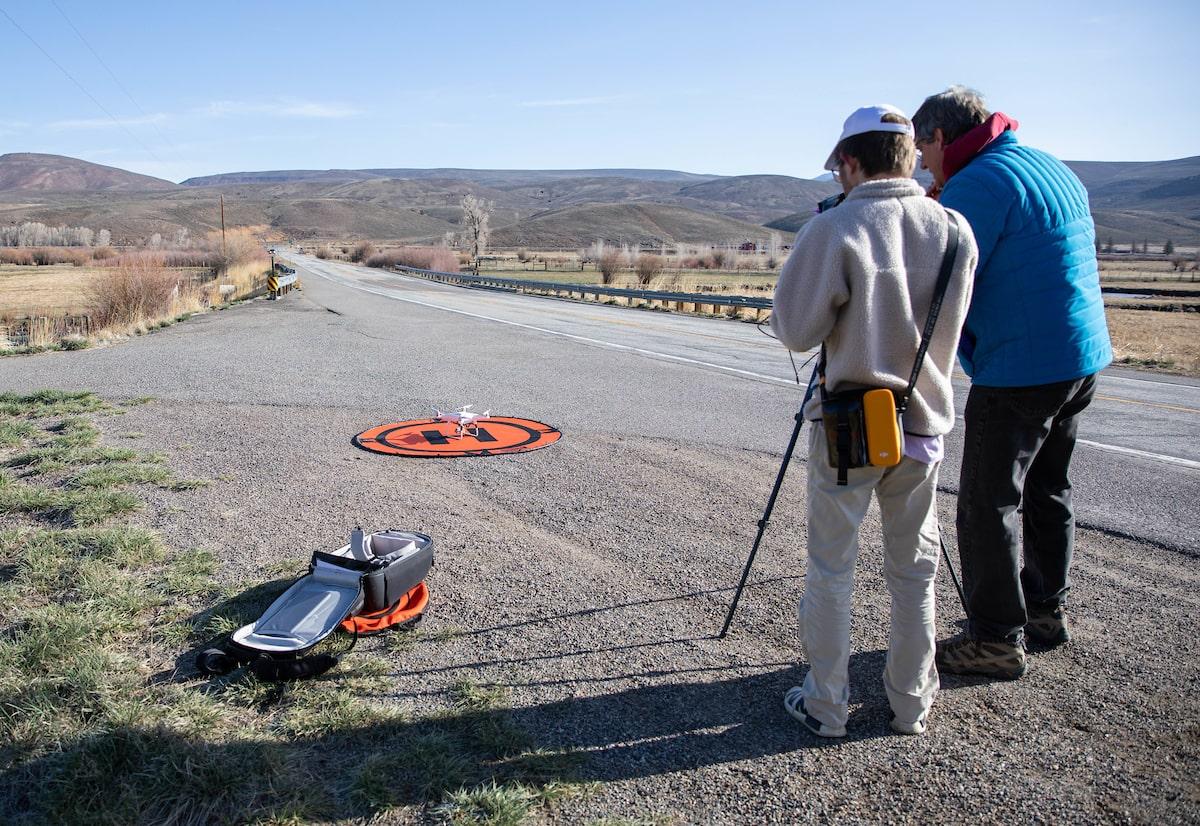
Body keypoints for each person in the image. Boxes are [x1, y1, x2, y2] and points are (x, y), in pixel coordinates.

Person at [770, 104, 977, 737]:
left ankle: (827, 704)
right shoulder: (954, 230)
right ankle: (911, 703)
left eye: (840, 168)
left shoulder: (836, 229)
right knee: (915, 571)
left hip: (848, 423)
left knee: (833, 567)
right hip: (923, 426)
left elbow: (795, 329)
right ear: (911, 156)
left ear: (851, 162)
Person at [911, 87, 1113, 679]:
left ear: (943, 138)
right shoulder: (1045, 165)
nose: (921, 159)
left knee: (986, 502)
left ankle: (996, 638)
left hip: (1021, 366)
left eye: (924, 145)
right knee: (1049, 489)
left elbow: (938, 278)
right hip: (1079, 358)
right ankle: (1045, 611)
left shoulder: (977, 186)